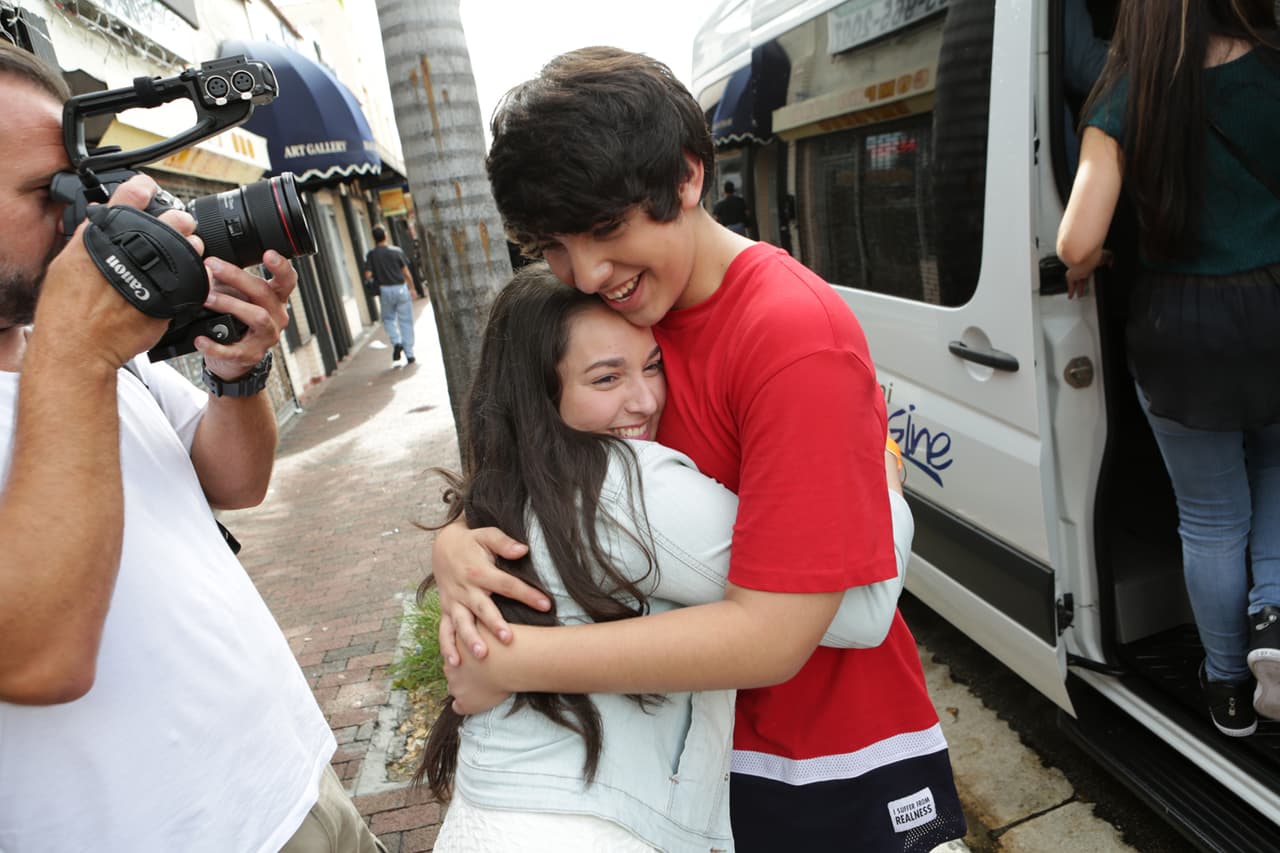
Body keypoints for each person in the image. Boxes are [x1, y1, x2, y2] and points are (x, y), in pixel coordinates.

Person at [432, 47, 966, 852]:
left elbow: (777, 633)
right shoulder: (619, 316)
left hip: (826, 755)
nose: (587, 271)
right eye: (553, 246)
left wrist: (514, 660)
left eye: (605, 230)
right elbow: (546, 460)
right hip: (696, 764)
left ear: (686, 177)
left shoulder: (790, 336)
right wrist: (457, 541)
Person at [0, 43, 383, 852]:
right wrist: (76, 349)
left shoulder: (80, 341)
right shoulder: (77, 341)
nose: (82, 213)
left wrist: (236, 371)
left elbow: (234, 481)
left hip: (297, 783)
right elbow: (38, 660)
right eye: (46, 191)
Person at [420, 263, 916, 851]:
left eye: (653, 366)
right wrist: (880, 464)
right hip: (585, 829)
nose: (645, 399)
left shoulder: (509, 481)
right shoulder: (625, 483)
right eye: (607, 378)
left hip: (497, 812)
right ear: (539, 394)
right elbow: (863, 609)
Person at [1057, 0, 1280, 737]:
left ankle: (1228, 688)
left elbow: (1075, 241)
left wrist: (1093, 258)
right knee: (1278, 471)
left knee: (1212, 518)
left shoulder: (1124, 93)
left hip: (1180, 327)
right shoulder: (1273, 65)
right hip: (1274, 306)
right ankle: (1273, 617)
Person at [364, 224, 415, 365]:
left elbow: (368, 275)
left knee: (388, 319)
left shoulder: (372, 255)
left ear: (373, 238)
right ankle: (410, 354)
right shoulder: (396, 251)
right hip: (401, 288)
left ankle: (396, 342)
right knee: (406, 321)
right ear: (385, 235)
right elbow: (406, 272)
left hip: (385, 290)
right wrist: (412, 288)